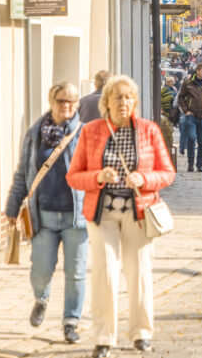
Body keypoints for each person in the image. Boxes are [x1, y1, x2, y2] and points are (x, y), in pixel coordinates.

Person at [66, 75, 175, 358]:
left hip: (139, 213)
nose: (124, 102)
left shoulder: (149, 131)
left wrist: (144, 178)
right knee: (105, 275)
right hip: (103, 214)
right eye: (118, 97)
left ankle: (141, 333)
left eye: (128, 97)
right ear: (107, 102)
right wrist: (98, 176)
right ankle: (104, 338)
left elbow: (167, 172)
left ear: (135, 102)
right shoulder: (91, 131)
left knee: (139, 274)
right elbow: (73, 176)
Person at [4, 83, 87, 344]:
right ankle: (41, 298)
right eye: (62, 101)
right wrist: (12, 205)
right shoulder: (34, 134)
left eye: (72, 102)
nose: (67, 106)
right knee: (40, 269)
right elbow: (22, 173)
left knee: (75, 272)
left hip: (77, 216)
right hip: (43, 215)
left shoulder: (85, 134)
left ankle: (71, 322)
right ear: (52, 102)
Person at [178, 62, 202, 173]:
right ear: (198, 71)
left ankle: (200, 164)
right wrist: (185, 110)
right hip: (191, 116)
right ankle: (190, 163)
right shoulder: (188, 83)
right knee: (191, 137)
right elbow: (181, 97)